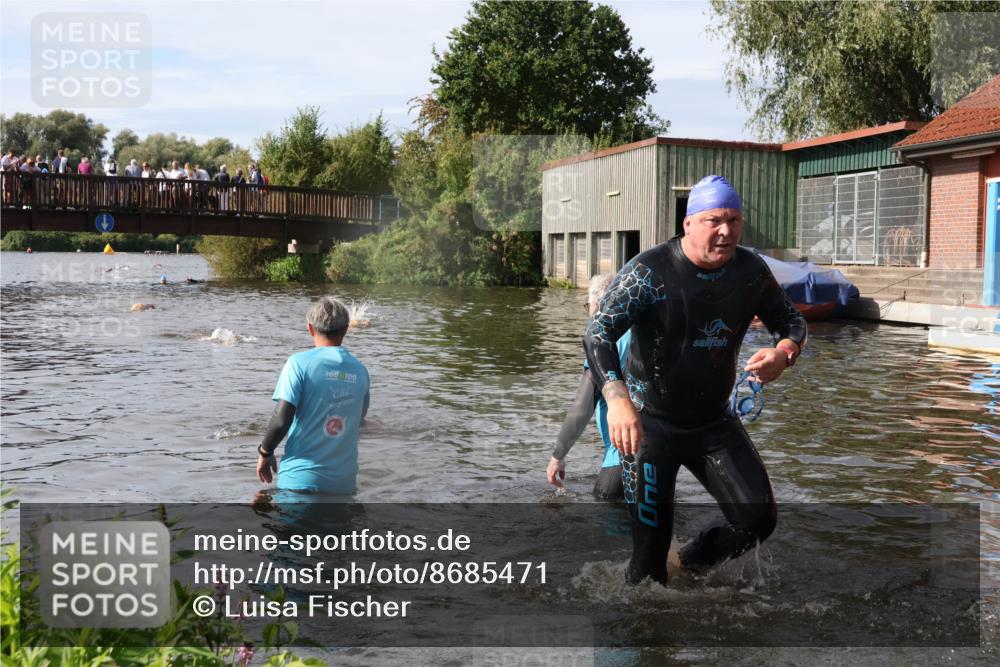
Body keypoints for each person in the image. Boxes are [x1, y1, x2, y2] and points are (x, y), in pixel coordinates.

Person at [584, 174, 807, 586]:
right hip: (649, 427)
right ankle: (646, 628)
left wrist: (784, 352)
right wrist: (616, 399)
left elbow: (789, 320)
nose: (727, 231)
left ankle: (690, 564)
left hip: (713, 423)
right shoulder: (648, 273)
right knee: (648, 569)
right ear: (688, 224)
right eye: (715, 220)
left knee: (758, 519)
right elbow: (598, 334)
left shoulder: (750, 271)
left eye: (735, 220)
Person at [256, 297, 370, 495]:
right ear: (346, 330)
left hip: (300, 481)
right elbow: (358, 420)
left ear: (310, 329)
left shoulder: (298, 364)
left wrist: (265, 452)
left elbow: (281, 419)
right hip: (343, 485)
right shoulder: (361, 371)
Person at [547, 274, 631, 500]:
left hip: (623, 458)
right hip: (662, 459)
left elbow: (583, 405)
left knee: (606, 521)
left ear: (601, 306)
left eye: (589, 306)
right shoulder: (642, 332)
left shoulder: (601, 342)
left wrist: (558, 455)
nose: (589, 314)